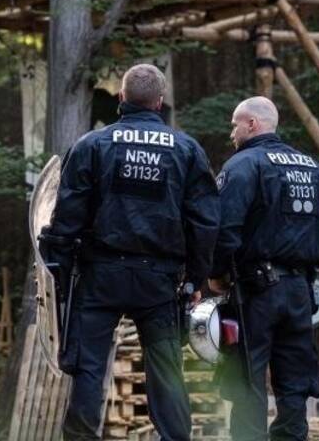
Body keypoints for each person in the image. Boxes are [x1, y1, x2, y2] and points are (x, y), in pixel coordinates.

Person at [42, 63, 220, 441]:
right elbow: (205, 223)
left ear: (122, 98)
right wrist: (196, 279)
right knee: (166, 369)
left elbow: (67, 215)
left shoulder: (93, 144)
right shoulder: (187, 150)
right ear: (159, 102)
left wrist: (59, 268)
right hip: (159, 281)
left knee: (89, 368)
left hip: (100, 276)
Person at [209, 96, 319, 441]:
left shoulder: (243, 165)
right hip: (299, 292)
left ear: (252, 124)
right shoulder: (313, 167)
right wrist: (307, 272)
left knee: (247, 379)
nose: (231, 132)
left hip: (254, 292)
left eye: (235, 124)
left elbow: (225, 228)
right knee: (295, 381)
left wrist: (217, 274)